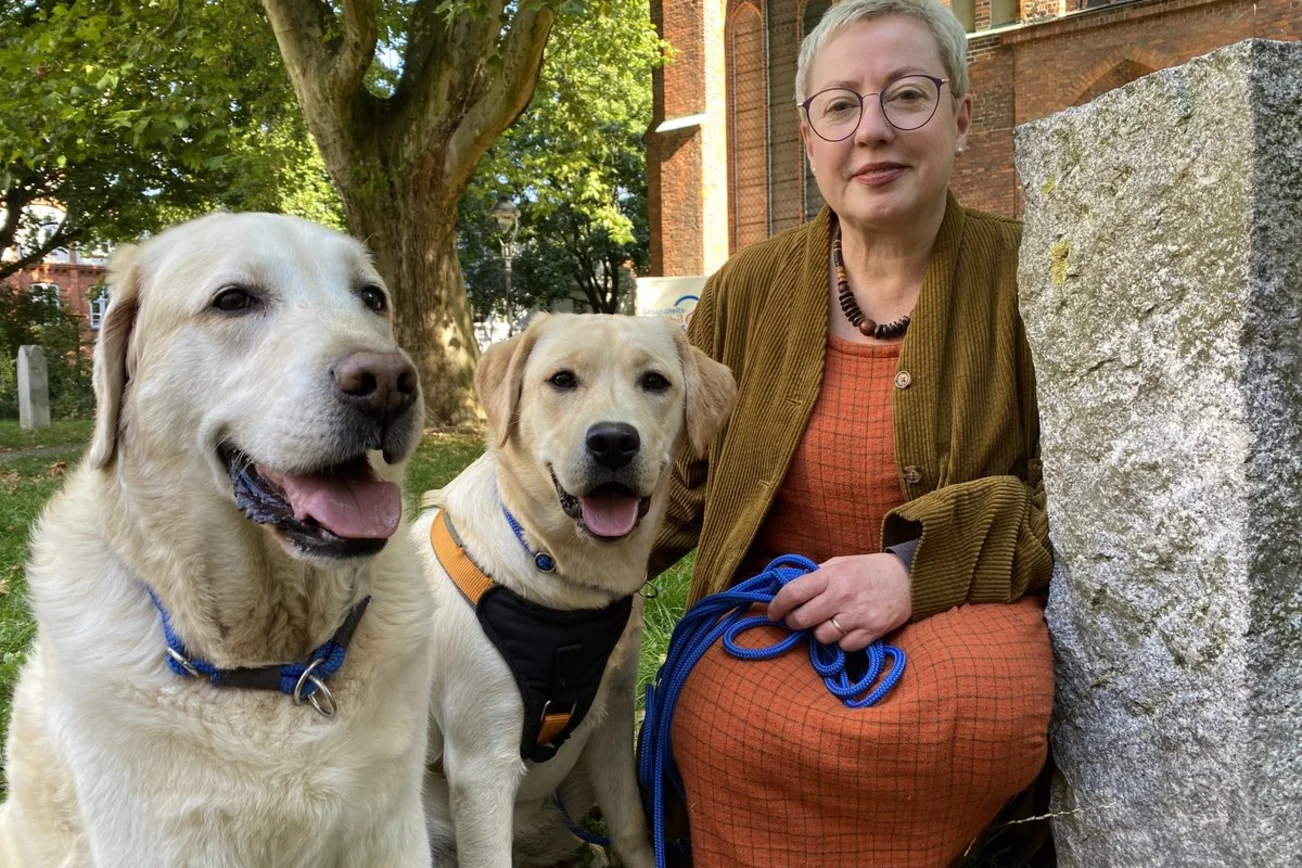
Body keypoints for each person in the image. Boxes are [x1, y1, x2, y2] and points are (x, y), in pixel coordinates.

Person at [647, 1, 1056, 864]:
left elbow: (1088, 500)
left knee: (977, 716)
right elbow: (672, 483)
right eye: (840, 106)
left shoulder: (1033, 277)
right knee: (724, 723)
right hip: (775, 615)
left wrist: (914, 568)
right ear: (807, 135)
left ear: (963, 118)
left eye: (907, 96)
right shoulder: (744, 292)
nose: (872, 131)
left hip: (959, 607)